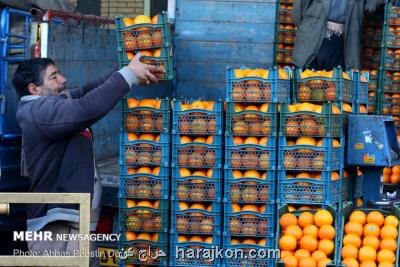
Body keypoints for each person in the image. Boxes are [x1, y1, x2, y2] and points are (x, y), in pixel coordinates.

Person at [12, 54, 162, 266]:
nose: (63, 80)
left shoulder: (53, 103)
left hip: (75, 226)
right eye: (54, 77)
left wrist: (128, 69)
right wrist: (128, 75)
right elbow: (84, 108)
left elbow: (87, 92)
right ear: (34, 89)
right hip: (55, 230)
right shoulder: (38, 112)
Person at [292, 0, 384, 70]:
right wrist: (308, 27)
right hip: (314, 34)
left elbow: (371, 5)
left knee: (335, 84)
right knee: (307, 80)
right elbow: (300, 9)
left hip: (343, 40)